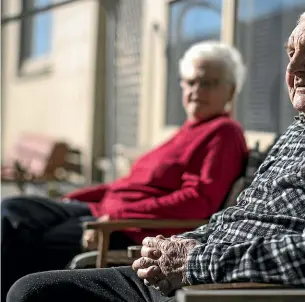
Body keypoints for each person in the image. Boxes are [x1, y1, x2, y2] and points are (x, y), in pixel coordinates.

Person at [7, 3, 305, 302]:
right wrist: (179, 244)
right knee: (32, 287)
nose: (293, 68)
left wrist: (195, 260)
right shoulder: (303, 130)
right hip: (198, 275)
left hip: (237, 292)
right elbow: (236, 216)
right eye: (291, 52)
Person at [2, 41, 249, 301]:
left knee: (24, 235)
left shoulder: (223, 133)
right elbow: (129, 184)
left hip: (126, 226)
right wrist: (77, 198)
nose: (196, 90)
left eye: (207, 83)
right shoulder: (189, 129)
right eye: (189, 82)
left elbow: (198, 201)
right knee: (14, 208)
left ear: (230, 90)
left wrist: (115, 216)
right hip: (104, 210)